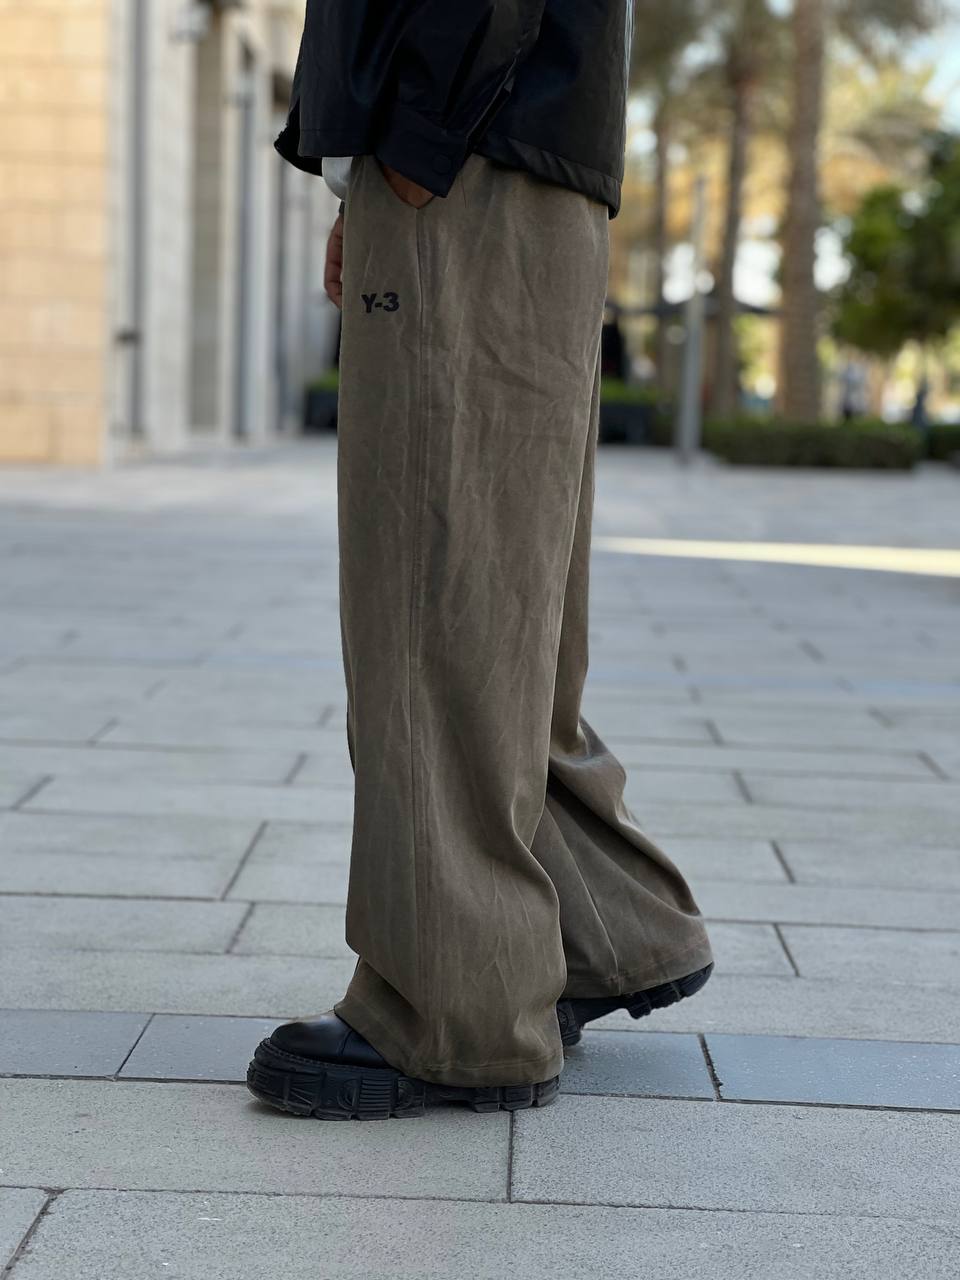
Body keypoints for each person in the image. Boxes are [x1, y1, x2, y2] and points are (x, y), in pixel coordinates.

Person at [246, 0, 713, 1121]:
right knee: (507, 596)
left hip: (470, 154)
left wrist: (414, 144)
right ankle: (601, 928)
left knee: (434, 595)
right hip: (505, 153)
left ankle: (452, 1012)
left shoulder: (445, 144)